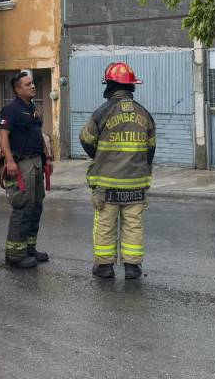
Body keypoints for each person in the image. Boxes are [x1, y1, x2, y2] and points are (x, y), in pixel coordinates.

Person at [79, 62, 156, 280]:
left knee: (105, 224)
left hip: (107, 183)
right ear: (131, 87)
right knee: (133, 225)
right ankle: (132, 267)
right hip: (136, 183)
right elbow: (150, 149)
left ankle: (104, 267)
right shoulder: (145, 114)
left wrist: (101, 155)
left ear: (110, 86)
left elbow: (85, 140)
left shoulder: (102, 112)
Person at [0, 70, 52, 269]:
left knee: (36, 206)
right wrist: (10, 161)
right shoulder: (10, 110)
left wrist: (47, 158)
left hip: (37, 162)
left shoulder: (33, 108)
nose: (33, 86)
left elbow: (39, 134)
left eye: (32, 83)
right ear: (17, 89)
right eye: (28, 84)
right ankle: (15, 254)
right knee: (22, 206)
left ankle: (29, 248)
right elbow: (3, 135)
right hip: (21, 164)